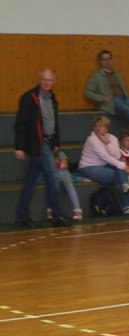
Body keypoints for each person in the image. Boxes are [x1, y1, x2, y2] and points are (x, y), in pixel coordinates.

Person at [13, 68, 67, 228]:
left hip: (47, 143)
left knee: (31, 181)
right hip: (38, 143)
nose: (47, 82)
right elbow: (20, 124)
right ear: (39, 79)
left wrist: (56, 143)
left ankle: (21, 215)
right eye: (44, 79)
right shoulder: (29, 98)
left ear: (54, 81)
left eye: (50, 80)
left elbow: (54, 122)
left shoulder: (52, 98)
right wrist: (19, 147)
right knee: (53, 177)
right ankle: (56, 215)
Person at [78, 116, 129, 215]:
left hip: (104, 165)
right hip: (88, 167)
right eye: (96, 126)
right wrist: (125, 167)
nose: (98, 128)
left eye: (101, 126)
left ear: (107, 128)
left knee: (119, 169)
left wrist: (107, 143)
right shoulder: (92, 139)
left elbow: (116, 155)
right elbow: (104, 156)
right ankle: (127, 204)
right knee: (119, 174)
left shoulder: (112, 138)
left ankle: (125, 190)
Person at [84, 50, 129, 137]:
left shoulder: (117, 74)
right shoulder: (96, 76)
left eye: (109, 59)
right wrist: (102, 98)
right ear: (100, 61)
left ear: (112, 60)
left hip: (124, 98)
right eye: (104, 59)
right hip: (112, 100)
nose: (107, 61)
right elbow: (87, 92)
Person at [52, 149, 83, 221]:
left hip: (63, 173)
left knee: (70, 188)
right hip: (53, 175)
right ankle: (52, 211)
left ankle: (77, 211)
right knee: (52, 189)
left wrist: (56, 165)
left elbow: (65, 165)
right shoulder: (46, 155)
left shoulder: (60, 153)